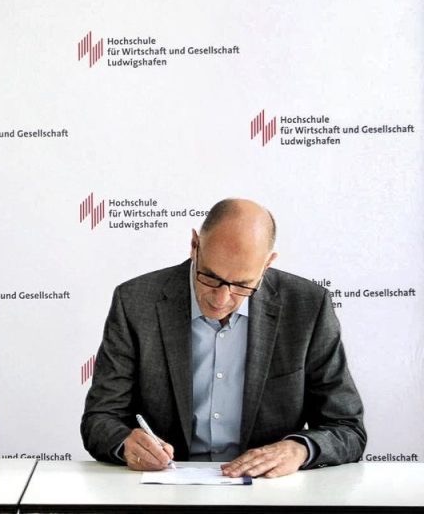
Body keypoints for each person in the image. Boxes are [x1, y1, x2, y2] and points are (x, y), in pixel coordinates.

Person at [81, 198, 365, 478]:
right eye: (210, 277)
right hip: (166, 487)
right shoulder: (135, 302)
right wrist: (126, 444)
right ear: (195, 245)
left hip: (267, 490)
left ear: (267, 264)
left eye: (242, 285)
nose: (221, 299)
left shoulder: (307, 307)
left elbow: (347, 427)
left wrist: (298, 449)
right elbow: (100, 418)